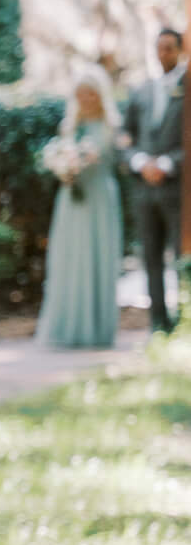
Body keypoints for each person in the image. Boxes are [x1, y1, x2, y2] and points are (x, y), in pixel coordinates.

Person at [36, 69, 123, 349]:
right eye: (81, 93)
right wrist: (66, 169)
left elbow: (119, 161)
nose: (86, 98)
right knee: (69, 259)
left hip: (100, 198)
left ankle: (97, 331)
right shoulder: (69, 126)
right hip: (71, 201)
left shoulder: (112, 125)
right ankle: (66, 327)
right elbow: (60, 155)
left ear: (100, 94)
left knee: (98, 257)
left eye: (91, 93)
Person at [123, 26, 184, 333]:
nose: (163, 54)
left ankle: (184, 319)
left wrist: (167, 163)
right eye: (159, 48)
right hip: (144, 189)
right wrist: (139, 161)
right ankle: (159, 325)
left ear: (181, 50)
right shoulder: (142, 90)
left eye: (169, 48)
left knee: (182, 255)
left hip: (179, 190)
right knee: (151, 257)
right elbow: (126, 137)